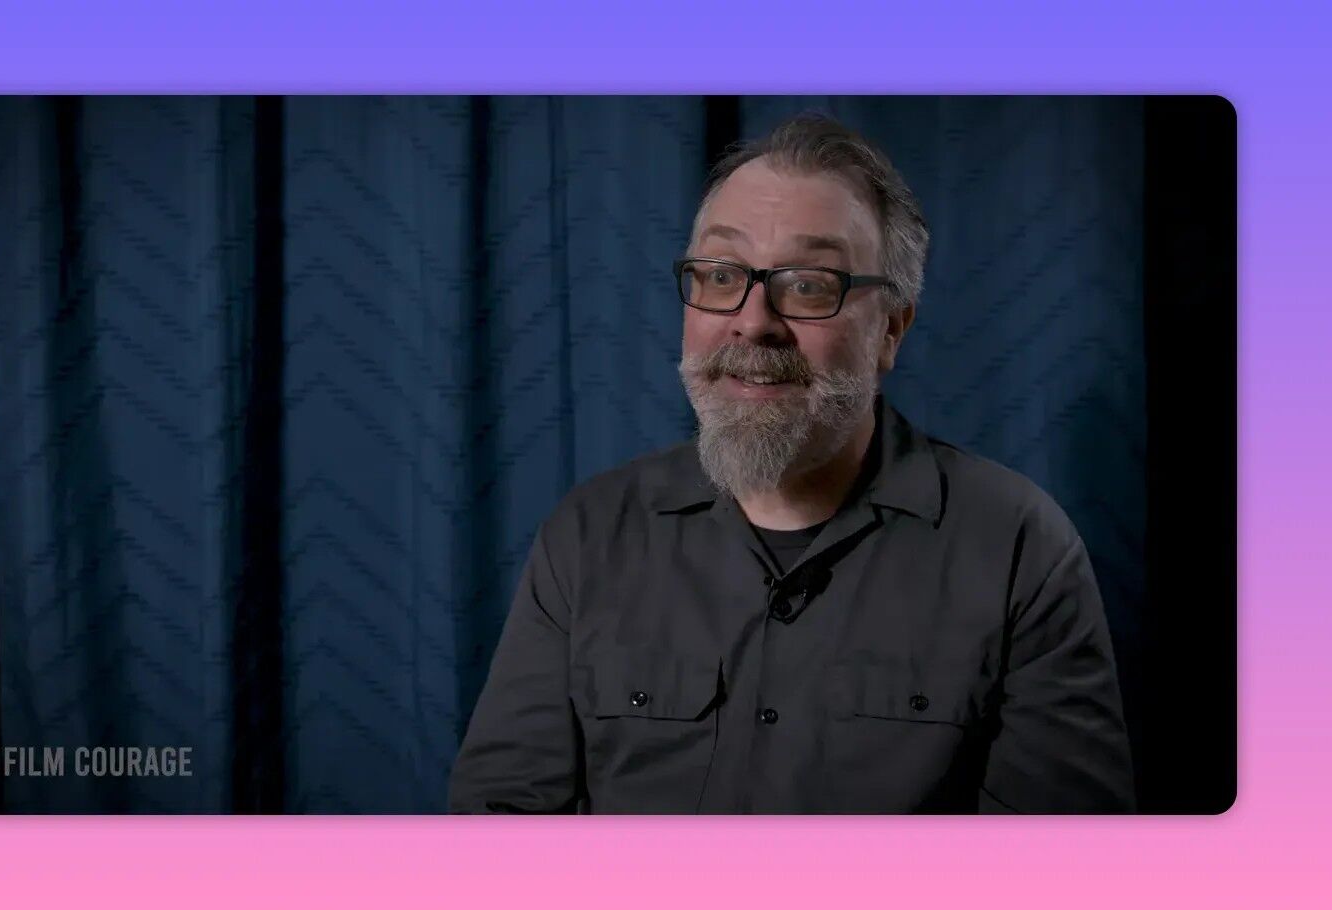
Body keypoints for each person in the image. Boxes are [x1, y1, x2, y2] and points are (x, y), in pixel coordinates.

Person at [448, 113, 1135, 814]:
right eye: (721, 275)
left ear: (891, 330)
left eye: (808, 284)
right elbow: (496, 840)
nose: (753, 321)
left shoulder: (1020, 547)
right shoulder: (589, 535)